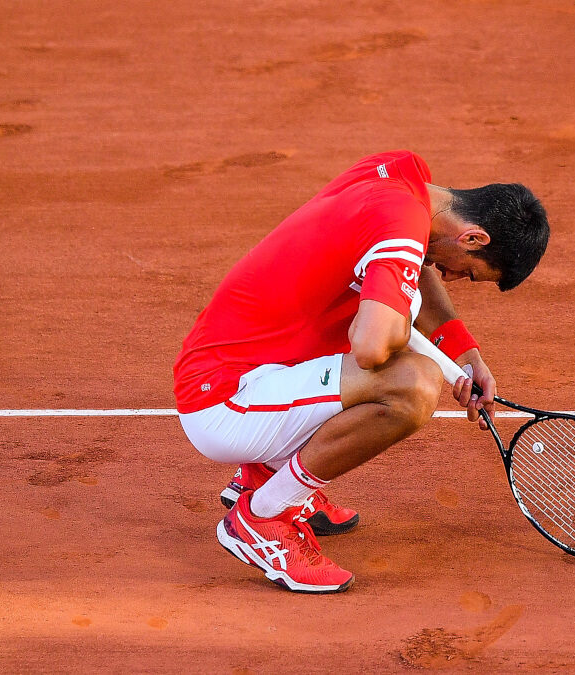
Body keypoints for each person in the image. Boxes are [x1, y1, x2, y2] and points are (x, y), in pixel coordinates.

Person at [173, 150, 550, 593]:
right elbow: (370, 348)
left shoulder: (402, 177)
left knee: (397, 339)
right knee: (413, 384)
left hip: (243, 362)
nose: (449, 278)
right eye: (468, 272)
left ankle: (264, 473)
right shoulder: (402, 228)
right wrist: (401, 316)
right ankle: (263, 516)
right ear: (473, 238)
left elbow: (412, 263)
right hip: (225, 402)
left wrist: (464, 354)